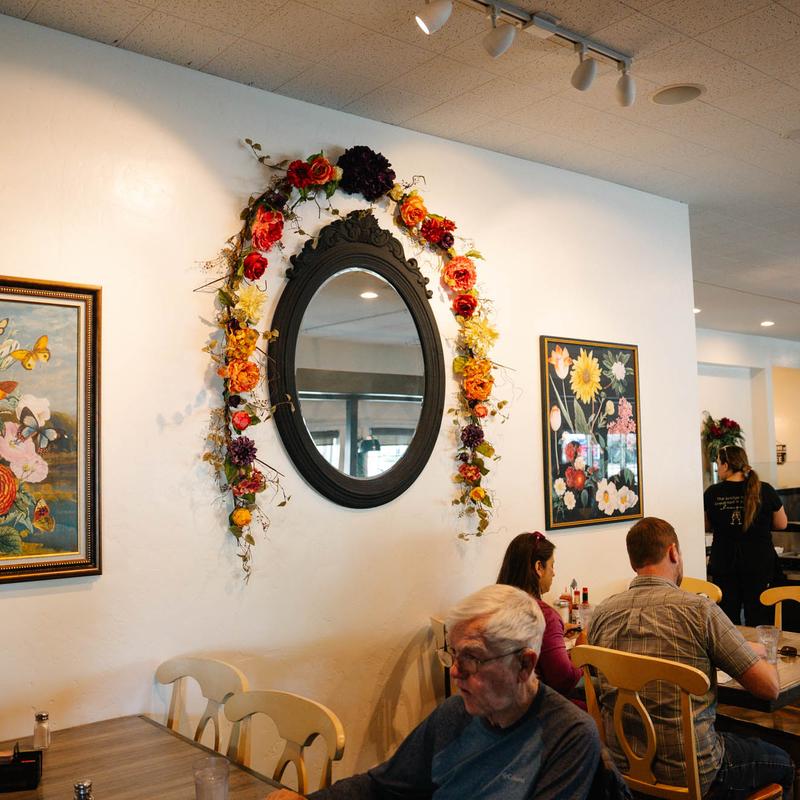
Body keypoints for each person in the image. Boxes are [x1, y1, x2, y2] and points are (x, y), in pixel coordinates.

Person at [268, 584, 602, 799]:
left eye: (472, 658)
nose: (455, 671)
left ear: (525, 665)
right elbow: (383, 786)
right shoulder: (455, 713)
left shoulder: (568, 735)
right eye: (453, 654)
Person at [589, 516, 793, 799]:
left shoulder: (602, 614)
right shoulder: (699, 610)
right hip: (695, 776)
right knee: (784, 762)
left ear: (633, 562)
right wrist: (764, 652)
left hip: (625, 774)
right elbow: (769, 688)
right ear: (673, 552)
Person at [704, 444, 788, 625]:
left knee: (728, 619)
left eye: (718, 463)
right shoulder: (765, 489)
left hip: (725, 562)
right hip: (759, 563)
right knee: (759, 616)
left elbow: (705, 524)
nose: (718, 468)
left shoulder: (712, 493)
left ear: (726, 465)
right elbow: (782, 523)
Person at [496, 531, 584, 697]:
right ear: (538, 568)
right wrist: (582, 654)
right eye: (552, 565)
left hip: (500, 697)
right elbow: (564, 680)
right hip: (536, 702)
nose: (554, 573)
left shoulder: (495, 604)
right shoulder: (544, 616)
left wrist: (556, 633)